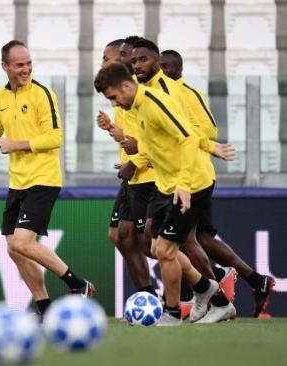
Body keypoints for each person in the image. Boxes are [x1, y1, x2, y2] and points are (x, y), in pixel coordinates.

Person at [0, 40, 95, 318]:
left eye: (29, 63)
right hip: (17, 182)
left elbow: (55, 138)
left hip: (43, 178)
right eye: (19, 64)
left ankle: (78, 284)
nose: (26, 69)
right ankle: (45, 307)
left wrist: (17, 144)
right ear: (5, 66)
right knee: (14, 249)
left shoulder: (42, 94)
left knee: (22, 242)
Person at [94, 63, 232, 325]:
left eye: (113, 97)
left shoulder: (154, 103)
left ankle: (172, 313)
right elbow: (153, 145)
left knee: (166, 249)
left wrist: (183, 182)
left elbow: (188, 137)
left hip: (190, 185)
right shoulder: (137, 107)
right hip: (166, 185)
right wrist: (134, 162)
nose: (114, 103)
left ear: (126, 86)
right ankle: (206, 290)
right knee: (156, 246)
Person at [160, 49, 275, 318]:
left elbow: (209, 129)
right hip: (184, 175)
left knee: (186, 239)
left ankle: (217, 298)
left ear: (177, 70)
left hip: (194, 175)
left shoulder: (187, 93)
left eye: (166, 67)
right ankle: (255, 281)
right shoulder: (159, 94)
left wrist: (183, 132)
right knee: (201, 237)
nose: (162, 71)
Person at [97, 39, 156, 297]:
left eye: (107, 58)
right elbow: (129, 137)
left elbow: (158, 140)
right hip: (131, 173)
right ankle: (148, 296)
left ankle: (203, 287)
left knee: (154, 243)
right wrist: (113, 129)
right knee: (120, 236)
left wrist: (135, 160)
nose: (103, 63)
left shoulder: (140, 94)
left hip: (147, 174)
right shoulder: (120, 98)